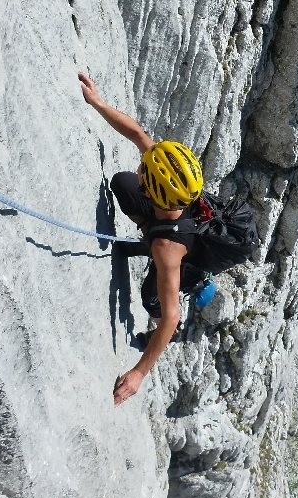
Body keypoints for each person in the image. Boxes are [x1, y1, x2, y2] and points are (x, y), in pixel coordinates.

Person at [78, 72, 208, 406]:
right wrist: (98, 103)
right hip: (163, 225)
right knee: (122, 184)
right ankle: (144, 235)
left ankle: (170, 312)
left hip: (179, 255)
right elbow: (136, 133)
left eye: (143, 173)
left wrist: (138, 373)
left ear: (151, 190)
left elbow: (172, 316)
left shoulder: (166, 252)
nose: (140, 166)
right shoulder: (171, 183)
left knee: (154, 298)